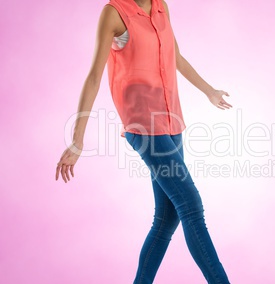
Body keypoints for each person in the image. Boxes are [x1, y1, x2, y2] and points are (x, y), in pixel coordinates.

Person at [55, 0, 232, 283]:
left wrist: (208, 91)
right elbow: (93, 78)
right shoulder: (114, 13)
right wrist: (77, 141)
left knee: (166, 219)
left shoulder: (161, 7)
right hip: (145, 127)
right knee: (190, 205)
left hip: (172, 121)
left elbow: (176, 57)